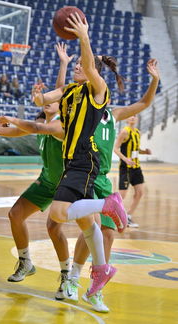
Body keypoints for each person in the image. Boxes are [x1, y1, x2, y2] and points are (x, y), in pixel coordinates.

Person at [0, 14, 128, 299]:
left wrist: (83, 37)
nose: (79, 66)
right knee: (84, 223)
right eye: (77, 65)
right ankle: (100, 270)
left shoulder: (97, 91)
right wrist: (41, 94)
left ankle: (108, 203)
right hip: (72, 164)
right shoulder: (69, 91)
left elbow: (90, 67)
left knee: (58, 216)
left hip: (85, 159)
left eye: (81, 65)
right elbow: (43, 102)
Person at [46, 44, 160, 311]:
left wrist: (154, 81)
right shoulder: (80, 105)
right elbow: (62, 95)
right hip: (84, 170)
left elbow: (144, 103)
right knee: (88, 228)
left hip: (102, 178)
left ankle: (96, 288)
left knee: (107, 234)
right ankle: (72, 279)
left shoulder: (113, 114)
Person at [0, 100, 64, 282]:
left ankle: (67, 275)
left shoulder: (62, 124)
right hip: (47, 182)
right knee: (15, 214)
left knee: (54, 228)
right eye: (45, 100)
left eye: (52, 100)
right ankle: (25, 262)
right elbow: (15, 131)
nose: (47, 102)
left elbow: (25, 126)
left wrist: (11, 119)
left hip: (68, 185)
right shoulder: (41, 124)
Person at [114, 115, 152, 227]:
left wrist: (145, 152)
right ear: (126, 119)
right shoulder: (124, 132)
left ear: (137, 119)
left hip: (136, 167)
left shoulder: (137, 133)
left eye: (135, 117)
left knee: (140, 192)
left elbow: (136, 149)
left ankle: (128, 216)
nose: (133, 118)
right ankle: (111, 214)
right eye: (130, 116)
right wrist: (125, 159)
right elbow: (115, 148)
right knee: (122, 194)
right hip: (126, 168)